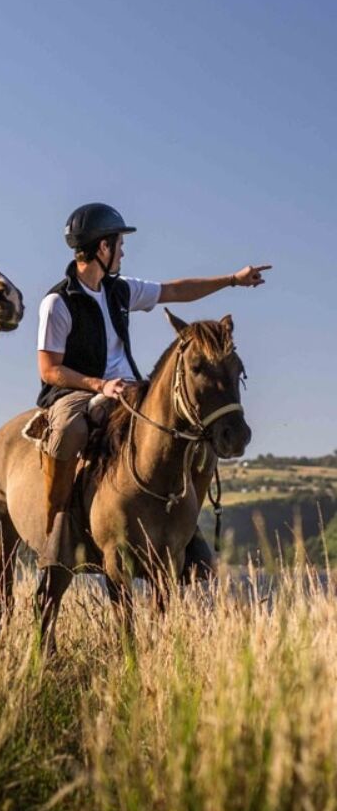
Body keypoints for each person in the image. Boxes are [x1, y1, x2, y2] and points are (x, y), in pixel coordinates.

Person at [37, 202, 270, 563]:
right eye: (119, 244)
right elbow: (49, 369)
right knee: (69, 432)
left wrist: (232, 280)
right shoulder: (57, 303)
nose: (123, 251)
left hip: (129, 389)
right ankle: (58, 526)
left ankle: (186, 532)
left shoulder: (121, 290)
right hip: (77, 390)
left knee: (198, 439)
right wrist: (99, 386)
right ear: (103, 248)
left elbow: (175, 291)